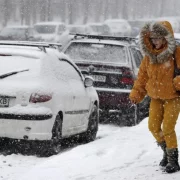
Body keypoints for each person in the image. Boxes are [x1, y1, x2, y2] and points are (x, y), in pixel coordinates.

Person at [129, 21, 180, 173]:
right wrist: (136, 94)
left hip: (173, 97)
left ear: (166, 38)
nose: (155, 41)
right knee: (153, 127)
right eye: (152, 38)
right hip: (156, 98)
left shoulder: (176, 53)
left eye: (158, 38)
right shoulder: (148, 57)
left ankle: (173, 160)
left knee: (168, 128)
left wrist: (178, 81)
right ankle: (166, 151)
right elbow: (142, 79)